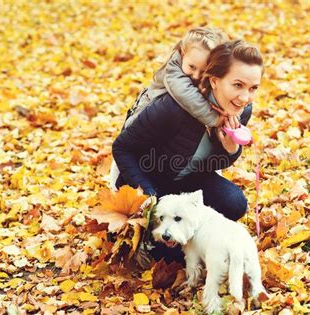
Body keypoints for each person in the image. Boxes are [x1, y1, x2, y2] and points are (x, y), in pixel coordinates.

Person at [111, 39, 263, 262]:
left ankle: (184, 239)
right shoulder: (172, 108)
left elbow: (209, 162)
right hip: (147, 179)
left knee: (234, 202)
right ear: (215, 81)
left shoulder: (240, 109)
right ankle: (152, 240)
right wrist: (147, 194)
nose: (245, 97)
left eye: (253, 88)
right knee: (168, 257)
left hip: (186, 178)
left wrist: (230, 150)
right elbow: (122, 147)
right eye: (238, 85)